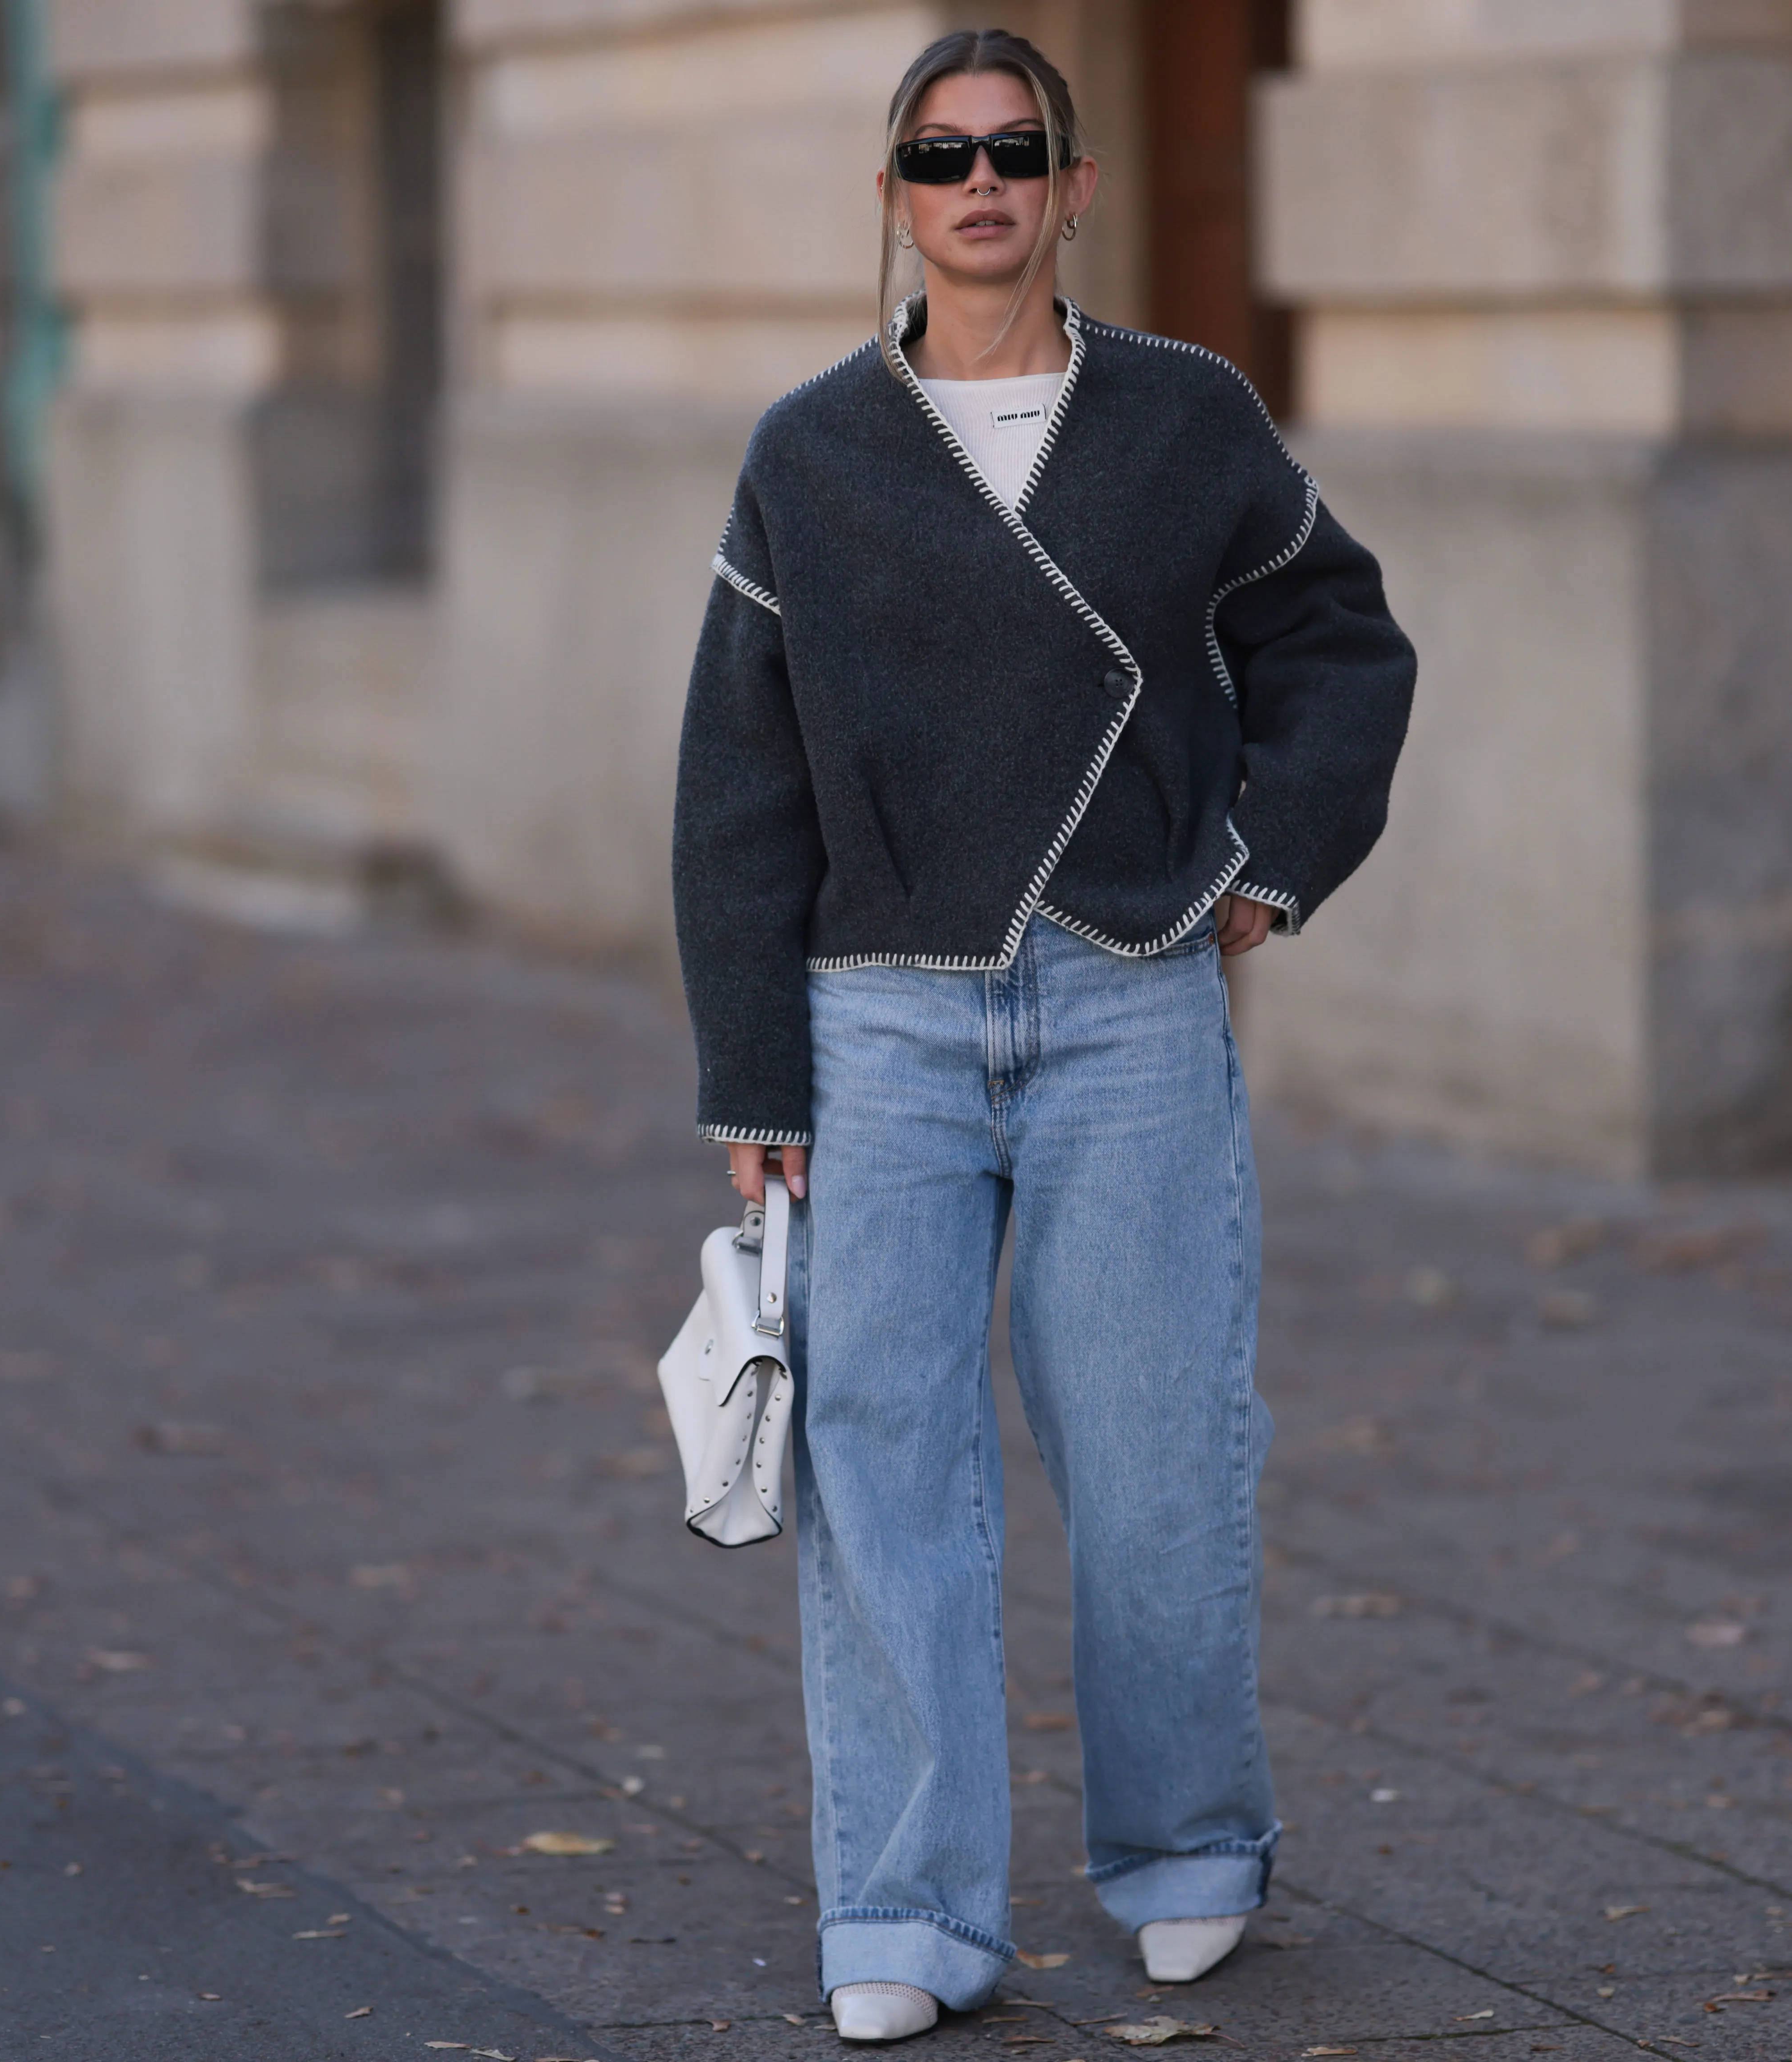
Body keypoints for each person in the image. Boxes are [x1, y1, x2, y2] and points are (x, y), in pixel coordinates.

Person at [669, 26, 1417, 2046]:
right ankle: (905, 1903)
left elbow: (1336, 639)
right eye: (936, 155)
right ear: (896, 197)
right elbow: (737, 781)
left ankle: (1185, 1848)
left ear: (1074, 187)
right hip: (873, 1023)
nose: (978, 182)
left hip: (1125, 1000)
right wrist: (749, 1075)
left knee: (1159, 1458)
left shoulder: (1186, 419)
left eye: (1015, 150)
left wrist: (1268, 865)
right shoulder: (810, 450)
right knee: (881, 1467)